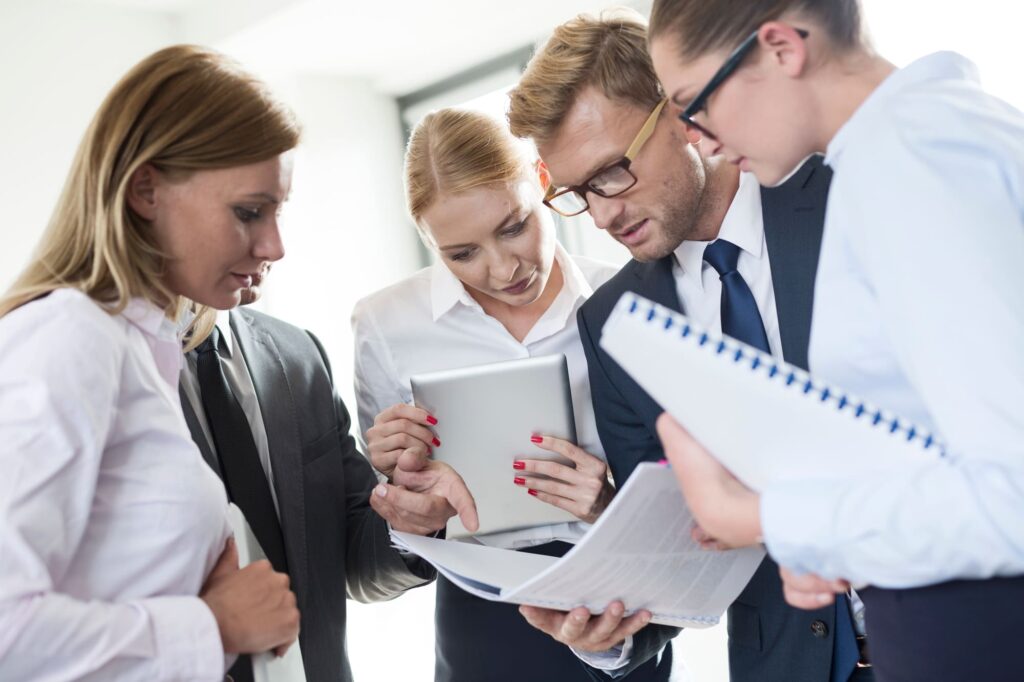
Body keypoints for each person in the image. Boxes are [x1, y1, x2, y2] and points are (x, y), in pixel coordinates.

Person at [646, 1, 1024, 680]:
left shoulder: (911, 162)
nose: (698, 139)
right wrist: (851, 543)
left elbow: (1013, 493)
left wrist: (765, 515)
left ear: (782, 49)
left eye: (694, 103)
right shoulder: (928, 140)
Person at [507, 9, 871, 682]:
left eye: (613, 171)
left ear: (679, 112)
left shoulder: (847, 194)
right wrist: (603, 633)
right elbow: (676, 553)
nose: (606, 213)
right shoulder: (613, 321)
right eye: (580, 193)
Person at [0, 45, 301, 680]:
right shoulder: (68, 337)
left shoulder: (146, 348)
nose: (274, 244)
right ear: (146, 190)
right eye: (249, 212)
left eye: (277, 212)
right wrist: (215, 626)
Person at [351, 108, 669, 682]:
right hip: (479, 609)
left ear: (543, 180)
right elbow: (398, 515)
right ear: (427, 239)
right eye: (461, 253)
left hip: (617, 595)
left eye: (513, 226)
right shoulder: (384, 324)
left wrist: (606, 501)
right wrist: (402, 492)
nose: (502, 270)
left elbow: (681, 486)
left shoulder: (629, 296)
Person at [179, 261, 461, 682]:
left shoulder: (297, 356)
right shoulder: (98, 370)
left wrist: (409, 522)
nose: (274, 246)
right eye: (249, 212)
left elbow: (348, 555)